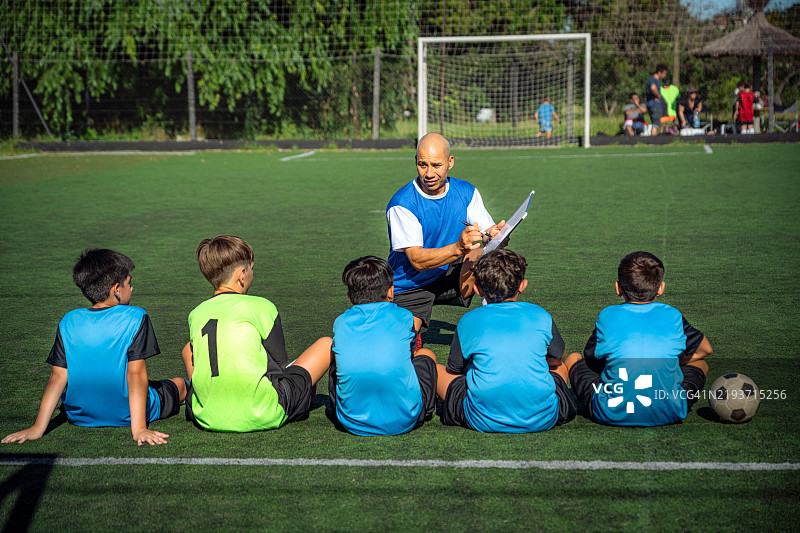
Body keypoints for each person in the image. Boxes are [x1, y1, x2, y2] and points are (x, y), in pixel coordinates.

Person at [2, 249, 186, 446]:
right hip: (126, 415)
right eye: (129, 283)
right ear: (116, 289)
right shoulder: (136, 316)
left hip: (78, 415)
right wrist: (139, 428)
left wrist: (37, 428)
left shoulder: (69, 320)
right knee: (178, 384)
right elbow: (135, 375)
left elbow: (58, 376)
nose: (131, 289)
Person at [182, 235, 332, 432]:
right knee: (326, 344)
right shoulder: (262, 306)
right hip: (264, 411)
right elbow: (279, 365)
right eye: (252, 268)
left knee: (188, 349)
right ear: (242, 274)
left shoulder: (197, 313)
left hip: (205, 415)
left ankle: (208, 397)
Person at [436, 249, 577, 433]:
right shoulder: (540, 315)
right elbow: (557, 358)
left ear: (477, 289)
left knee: (434, 368)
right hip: (544, 416)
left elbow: (455, 368)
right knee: (560, 367)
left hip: (481, 418)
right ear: (522, 285)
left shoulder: (469, 320)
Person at [386, 133, 506, 349]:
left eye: (436, 165)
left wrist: (497, 235)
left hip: (448, 271)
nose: (429, 173)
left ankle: (497, 324)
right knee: (402, 347)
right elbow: (417, 261)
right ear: (415, 162)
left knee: (489, 253)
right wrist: (459, 247)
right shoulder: (402, 204)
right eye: (423, 165)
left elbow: (488, 231)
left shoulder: (466, 192)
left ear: (450, 162)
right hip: (409, 284)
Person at [566, 251, 712, 427]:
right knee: (701, 364)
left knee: (573, 358)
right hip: (670, 412)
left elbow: (592, 360)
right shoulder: (672, 315)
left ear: (618, 288)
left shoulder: (608, 315)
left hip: (610, 412)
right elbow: (705, 349)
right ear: (661, 288)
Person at [328, 256, 437, 436]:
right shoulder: (405, 316)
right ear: (391, 291)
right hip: (406, 418)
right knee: (426, 354)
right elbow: (411, 352)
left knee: (335, 359)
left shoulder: (341, 322)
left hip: (351, 421)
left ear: (349, 297)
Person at [645, 64, 668, 135]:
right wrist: (658, 95)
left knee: (655, 124)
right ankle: (653, 141)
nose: (665, 75)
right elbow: (653, 87)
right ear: (659, 72)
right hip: (655, 106)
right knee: (655, 125)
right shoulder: (653, 80)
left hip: (652, 105)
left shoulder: (653, 80)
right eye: (664, 73)